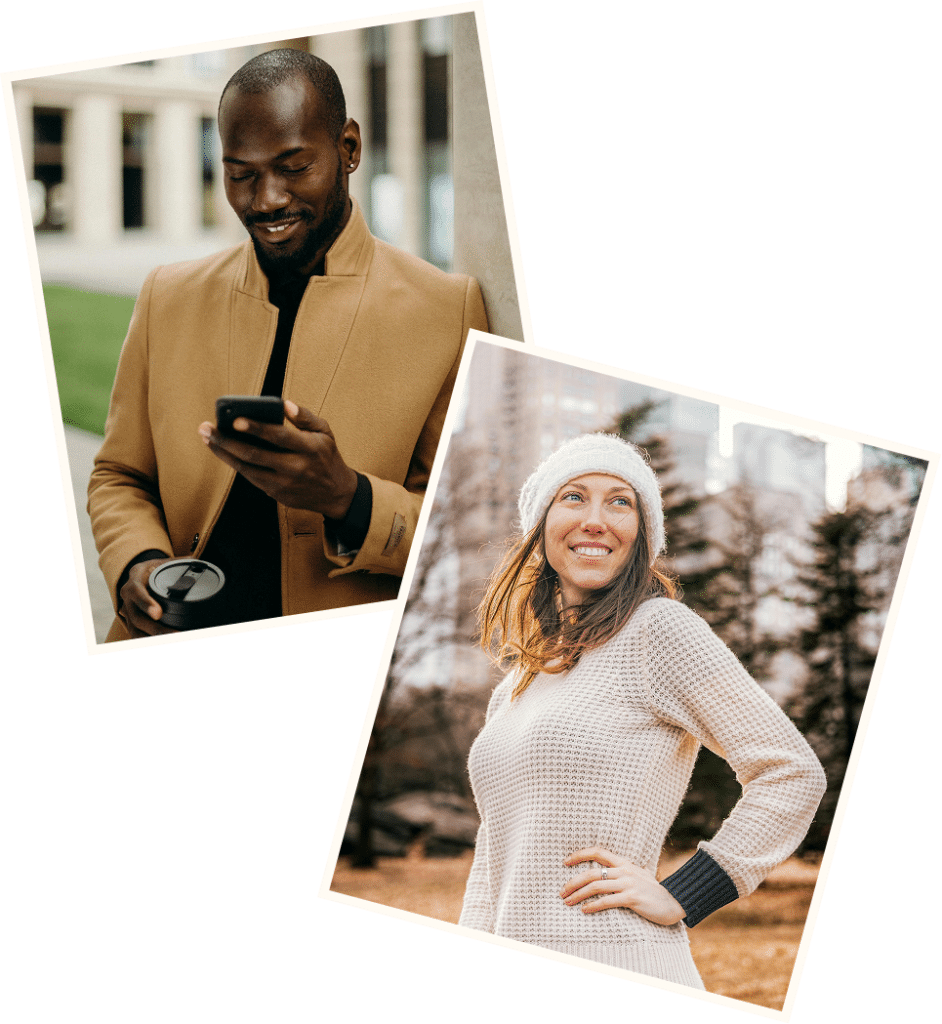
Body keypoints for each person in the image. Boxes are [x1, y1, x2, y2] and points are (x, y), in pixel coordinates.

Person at [88, 48, 487, 641]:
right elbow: (119, 475)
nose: (266, 199)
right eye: (241, 174)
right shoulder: (166, 296)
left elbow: (469, 538)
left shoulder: (447, 308)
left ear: (348, 149)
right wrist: (135, 561)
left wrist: (347, 497)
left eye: (293, 167)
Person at [458, 433, 826, 989]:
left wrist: (686, 892)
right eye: (574, 497)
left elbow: (792, 773)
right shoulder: (517, 684)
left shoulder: (659, 632)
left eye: (620, 502)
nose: (595, 519)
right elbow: (494, 854)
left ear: (640, 534)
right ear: (540, 529)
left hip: (623, 954)